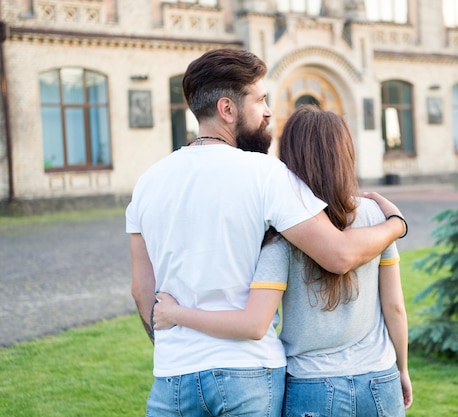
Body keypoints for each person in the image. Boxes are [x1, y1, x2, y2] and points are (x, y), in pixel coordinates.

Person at [127, 48, 407, 417]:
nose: (268, 111)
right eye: (260, 100)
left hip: (172, 374)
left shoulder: (147, 182)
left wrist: (169, 343)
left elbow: (141, 289)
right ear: (228, 109)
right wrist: (396, 226)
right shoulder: (266, 174)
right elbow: (338, 254)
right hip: (249, 373)